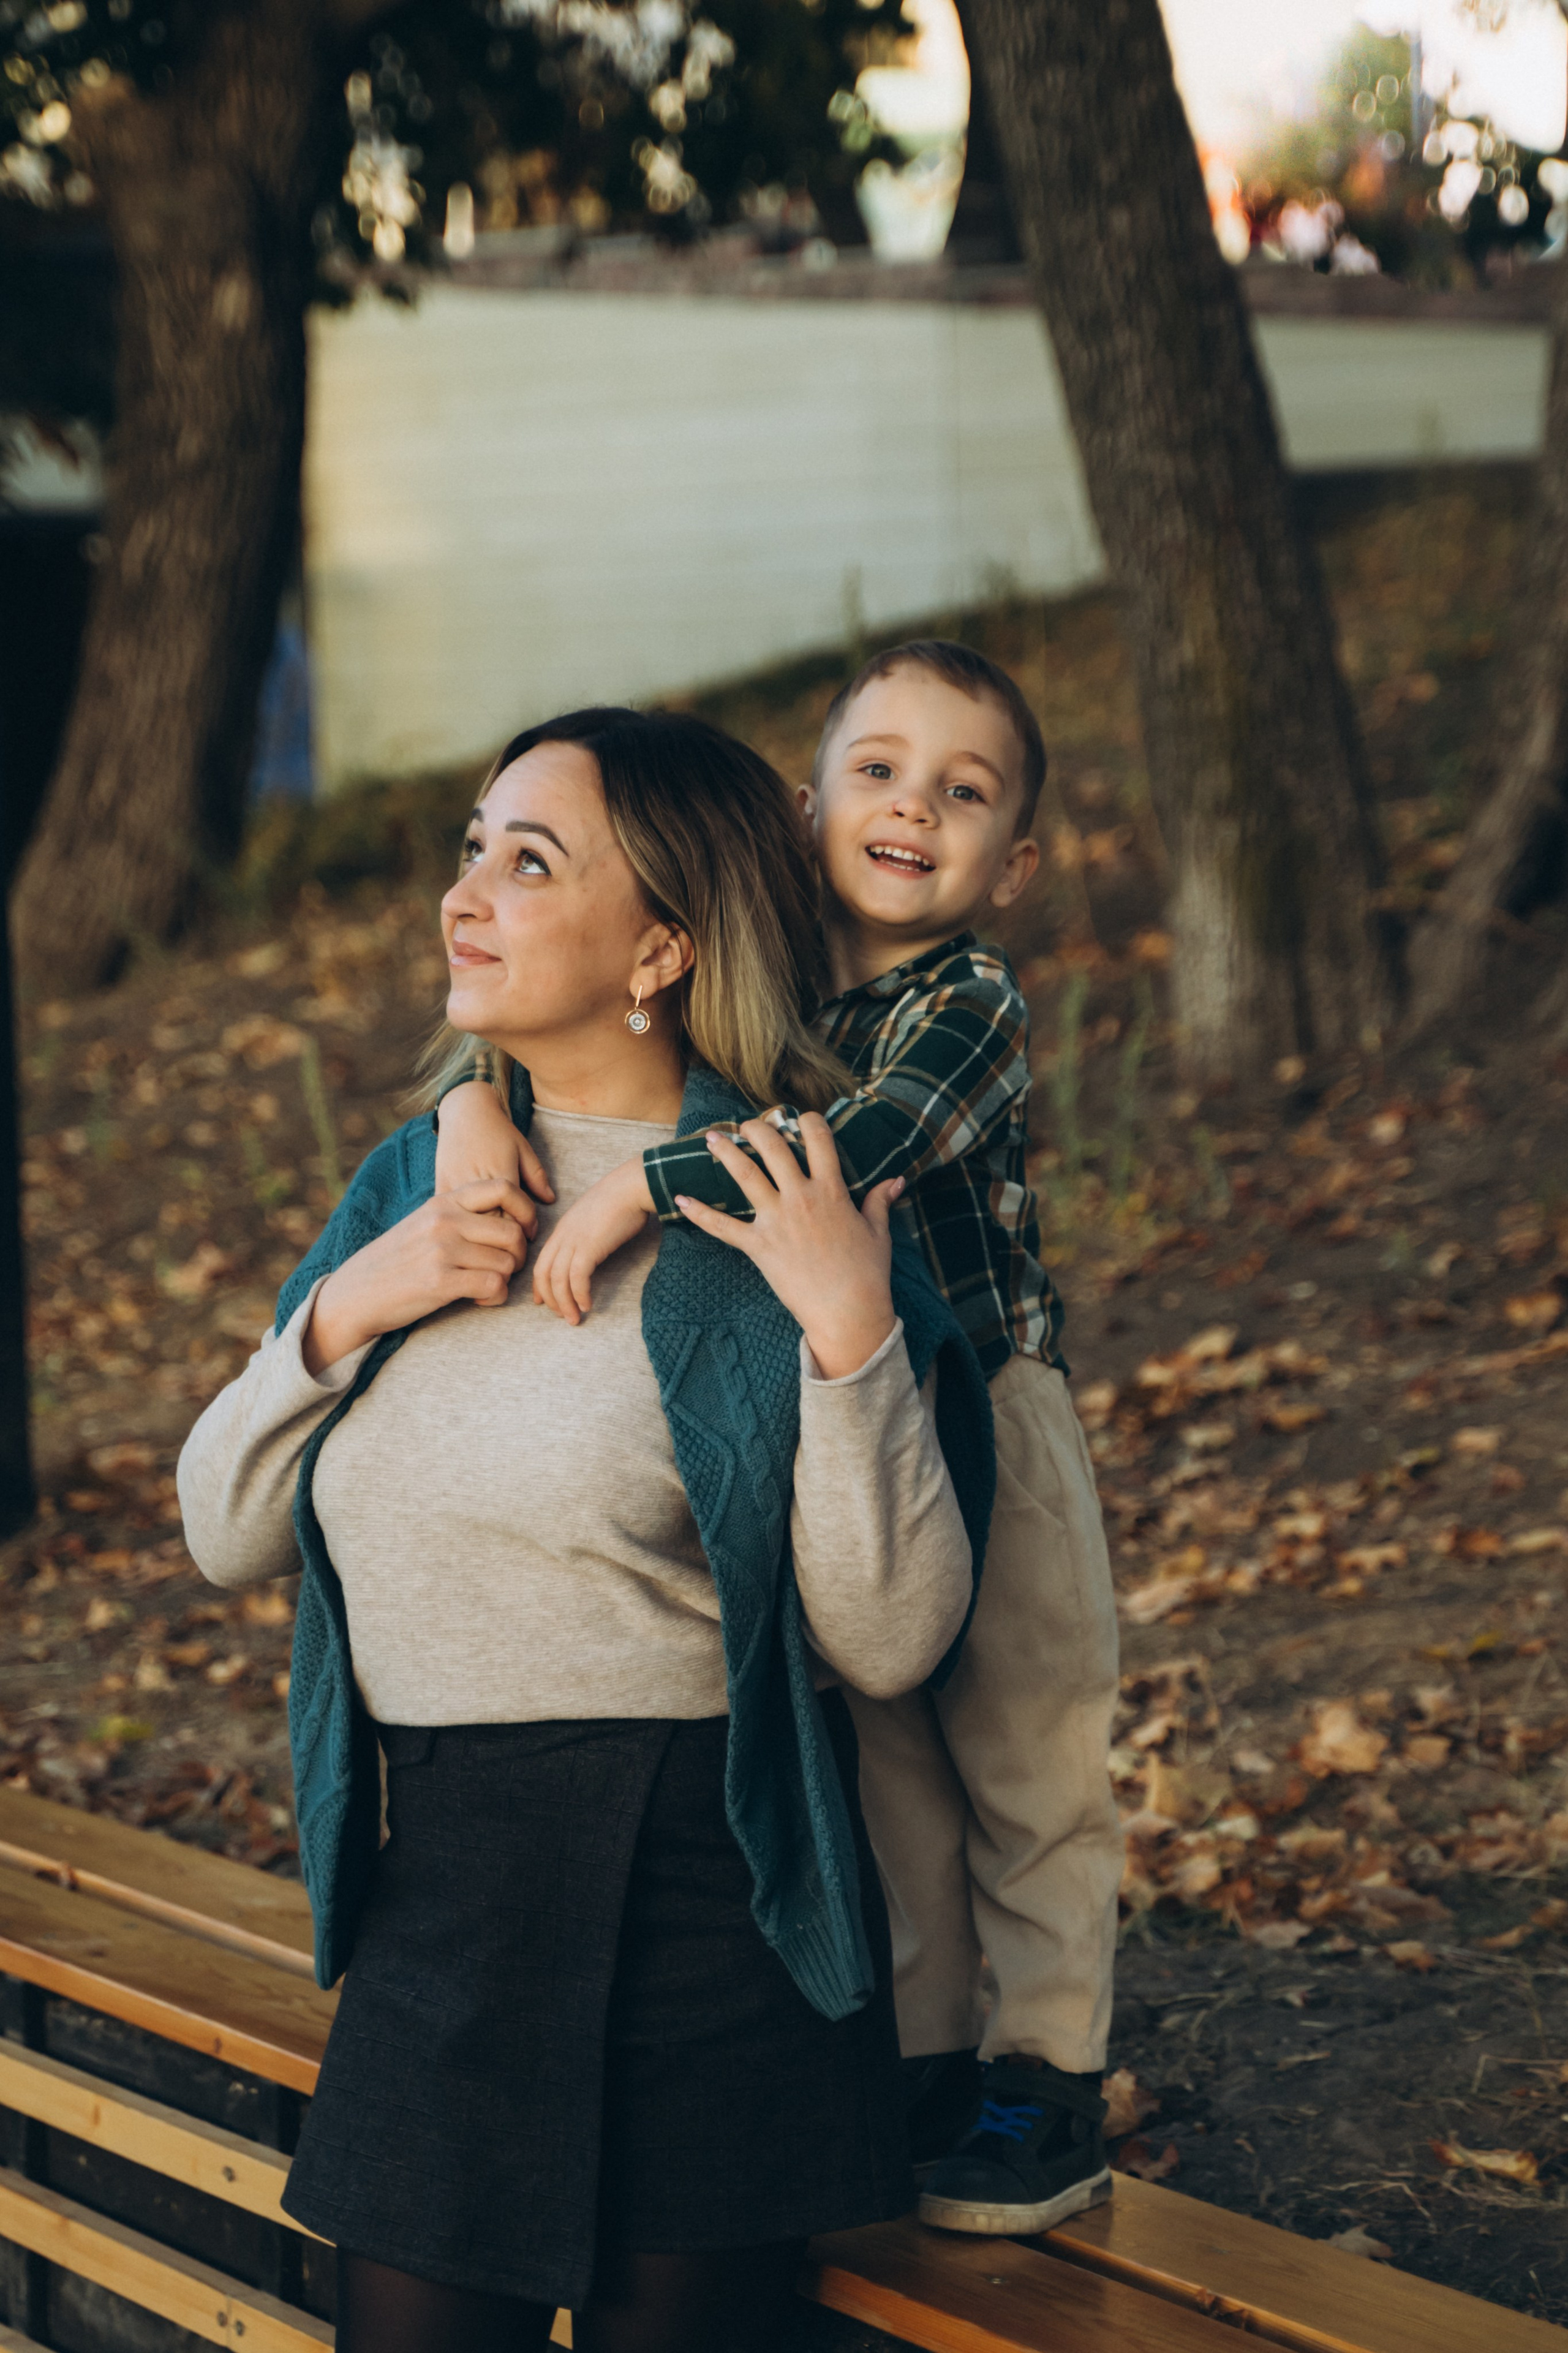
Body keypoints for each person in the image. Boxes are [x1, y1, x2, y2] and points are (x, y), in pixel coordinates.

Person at [176, 706, 995, 2353]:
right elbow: (226, 1525)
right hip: (445, 1906)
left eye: (527, 860)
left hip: (709, 1912)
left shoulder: (779, 1196)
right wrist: (361, 1296)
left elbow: (893, 1635)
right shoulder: (419, 1178)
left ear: (663, 947)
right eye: (471, 846)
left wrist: (848, 1329)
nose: (464, 893)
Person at [436, 644, 1123, 2238]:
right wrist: (480, 1111)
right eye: (878, 771)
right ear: (806, 808)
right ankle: (932, 2050)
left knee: (1024, 1747)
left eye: (964, 792)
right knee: (886, 1749)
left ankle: (1048, 2072)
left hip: (988, 1406)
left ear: (1010, 862)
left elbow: (856, 1150)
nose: (913, 808)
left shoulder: (969, 1001)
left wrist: (643, 1188)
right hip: (842, 1415)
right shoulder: (767, 989)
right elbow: (566, 1042)